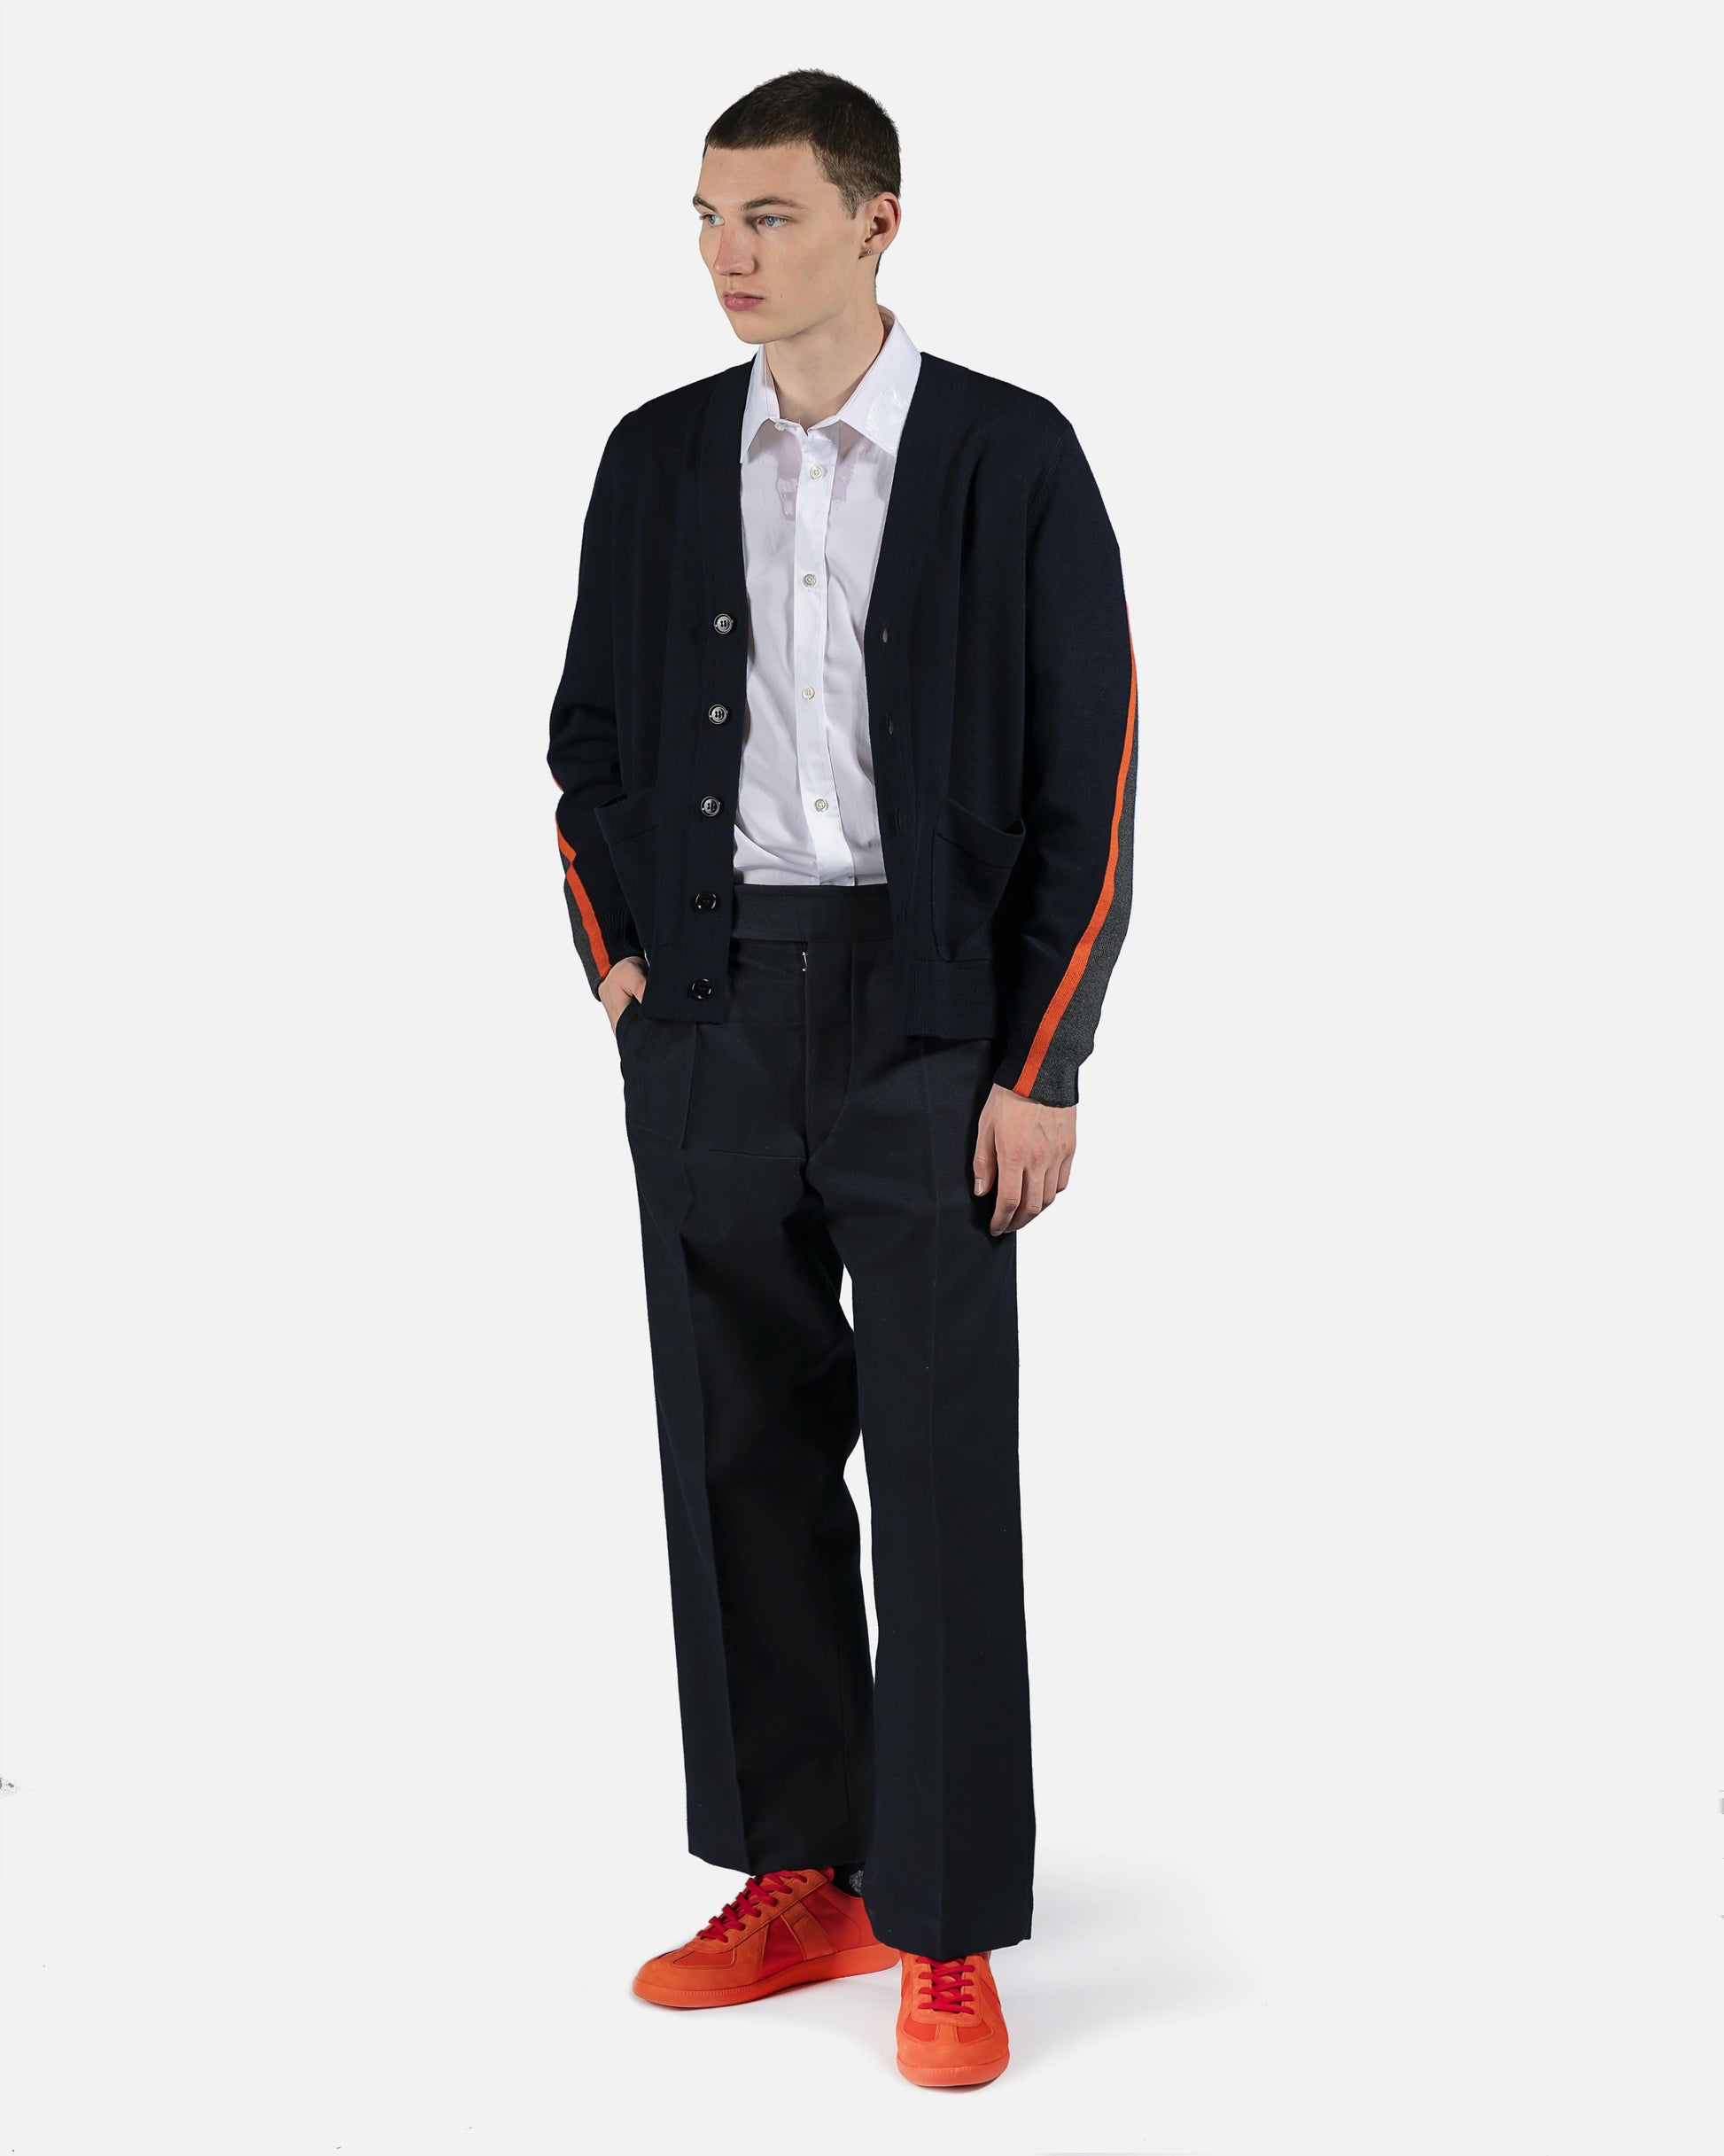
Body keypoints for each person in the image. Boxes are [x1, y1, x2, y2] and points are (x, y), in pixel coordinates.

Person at [545, 67, 1136, 2090]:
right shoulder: (651, 459)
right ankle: (799, 1869)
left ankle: (943, 1922)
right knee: (738, 1453)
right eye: (708, 218)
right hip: (711, 1010)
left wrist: (1040, 1060)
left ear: (878, 222)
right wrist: (623, 969)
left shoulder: (1007, 456)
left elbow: (1091, 776)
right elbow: (586, 744)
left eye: (770, 214)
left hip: (931, 1021)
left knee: (940, 1464)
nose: (728, 253)